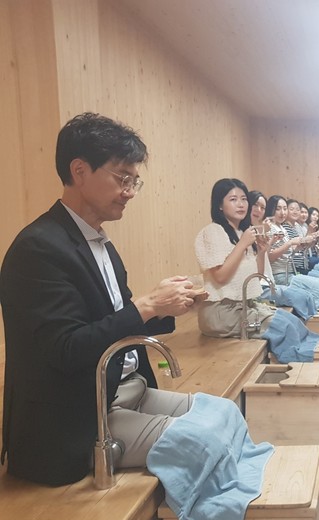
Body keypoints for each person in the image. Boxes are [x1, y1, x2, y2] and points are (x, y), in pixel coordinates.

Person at [0, 113, 201, 486]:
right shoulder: (38, 247)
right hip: (77, 417)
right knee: (203, 441)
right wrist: (148, 305)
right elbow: (66, 348)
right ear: (79, 171)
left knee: (222, 415)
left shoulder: (99, 242)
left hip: (122, 391)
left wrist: (171, 305)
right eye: (122, 178)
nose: (130, 191)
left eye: (134, 181)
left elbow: (113, 321)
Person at [194, 179, 274, 338]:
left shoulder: (242, 232)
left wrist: (261, 252)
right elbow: (220, 277)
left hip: (243, 307)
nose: (241, 204)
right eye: (233, 199)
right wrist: (242, 244)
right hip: (220, 312)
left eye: (244, 199)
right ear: (220, 205)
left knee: (288, 321)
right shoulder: (212, 231)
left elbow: (256, 278)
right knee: (283, 327)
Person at [264, 195, 304, 284]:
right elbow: (269, 257)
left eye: (285, 209)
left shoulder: (281, 227)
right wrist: (290, 243)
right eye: (278, 209)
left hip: (288, 272)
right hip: (279, 274)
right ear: (271, 209)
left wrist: (296, 249)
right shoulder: (270, 228)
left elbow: (286, 254)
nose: (282, 213)